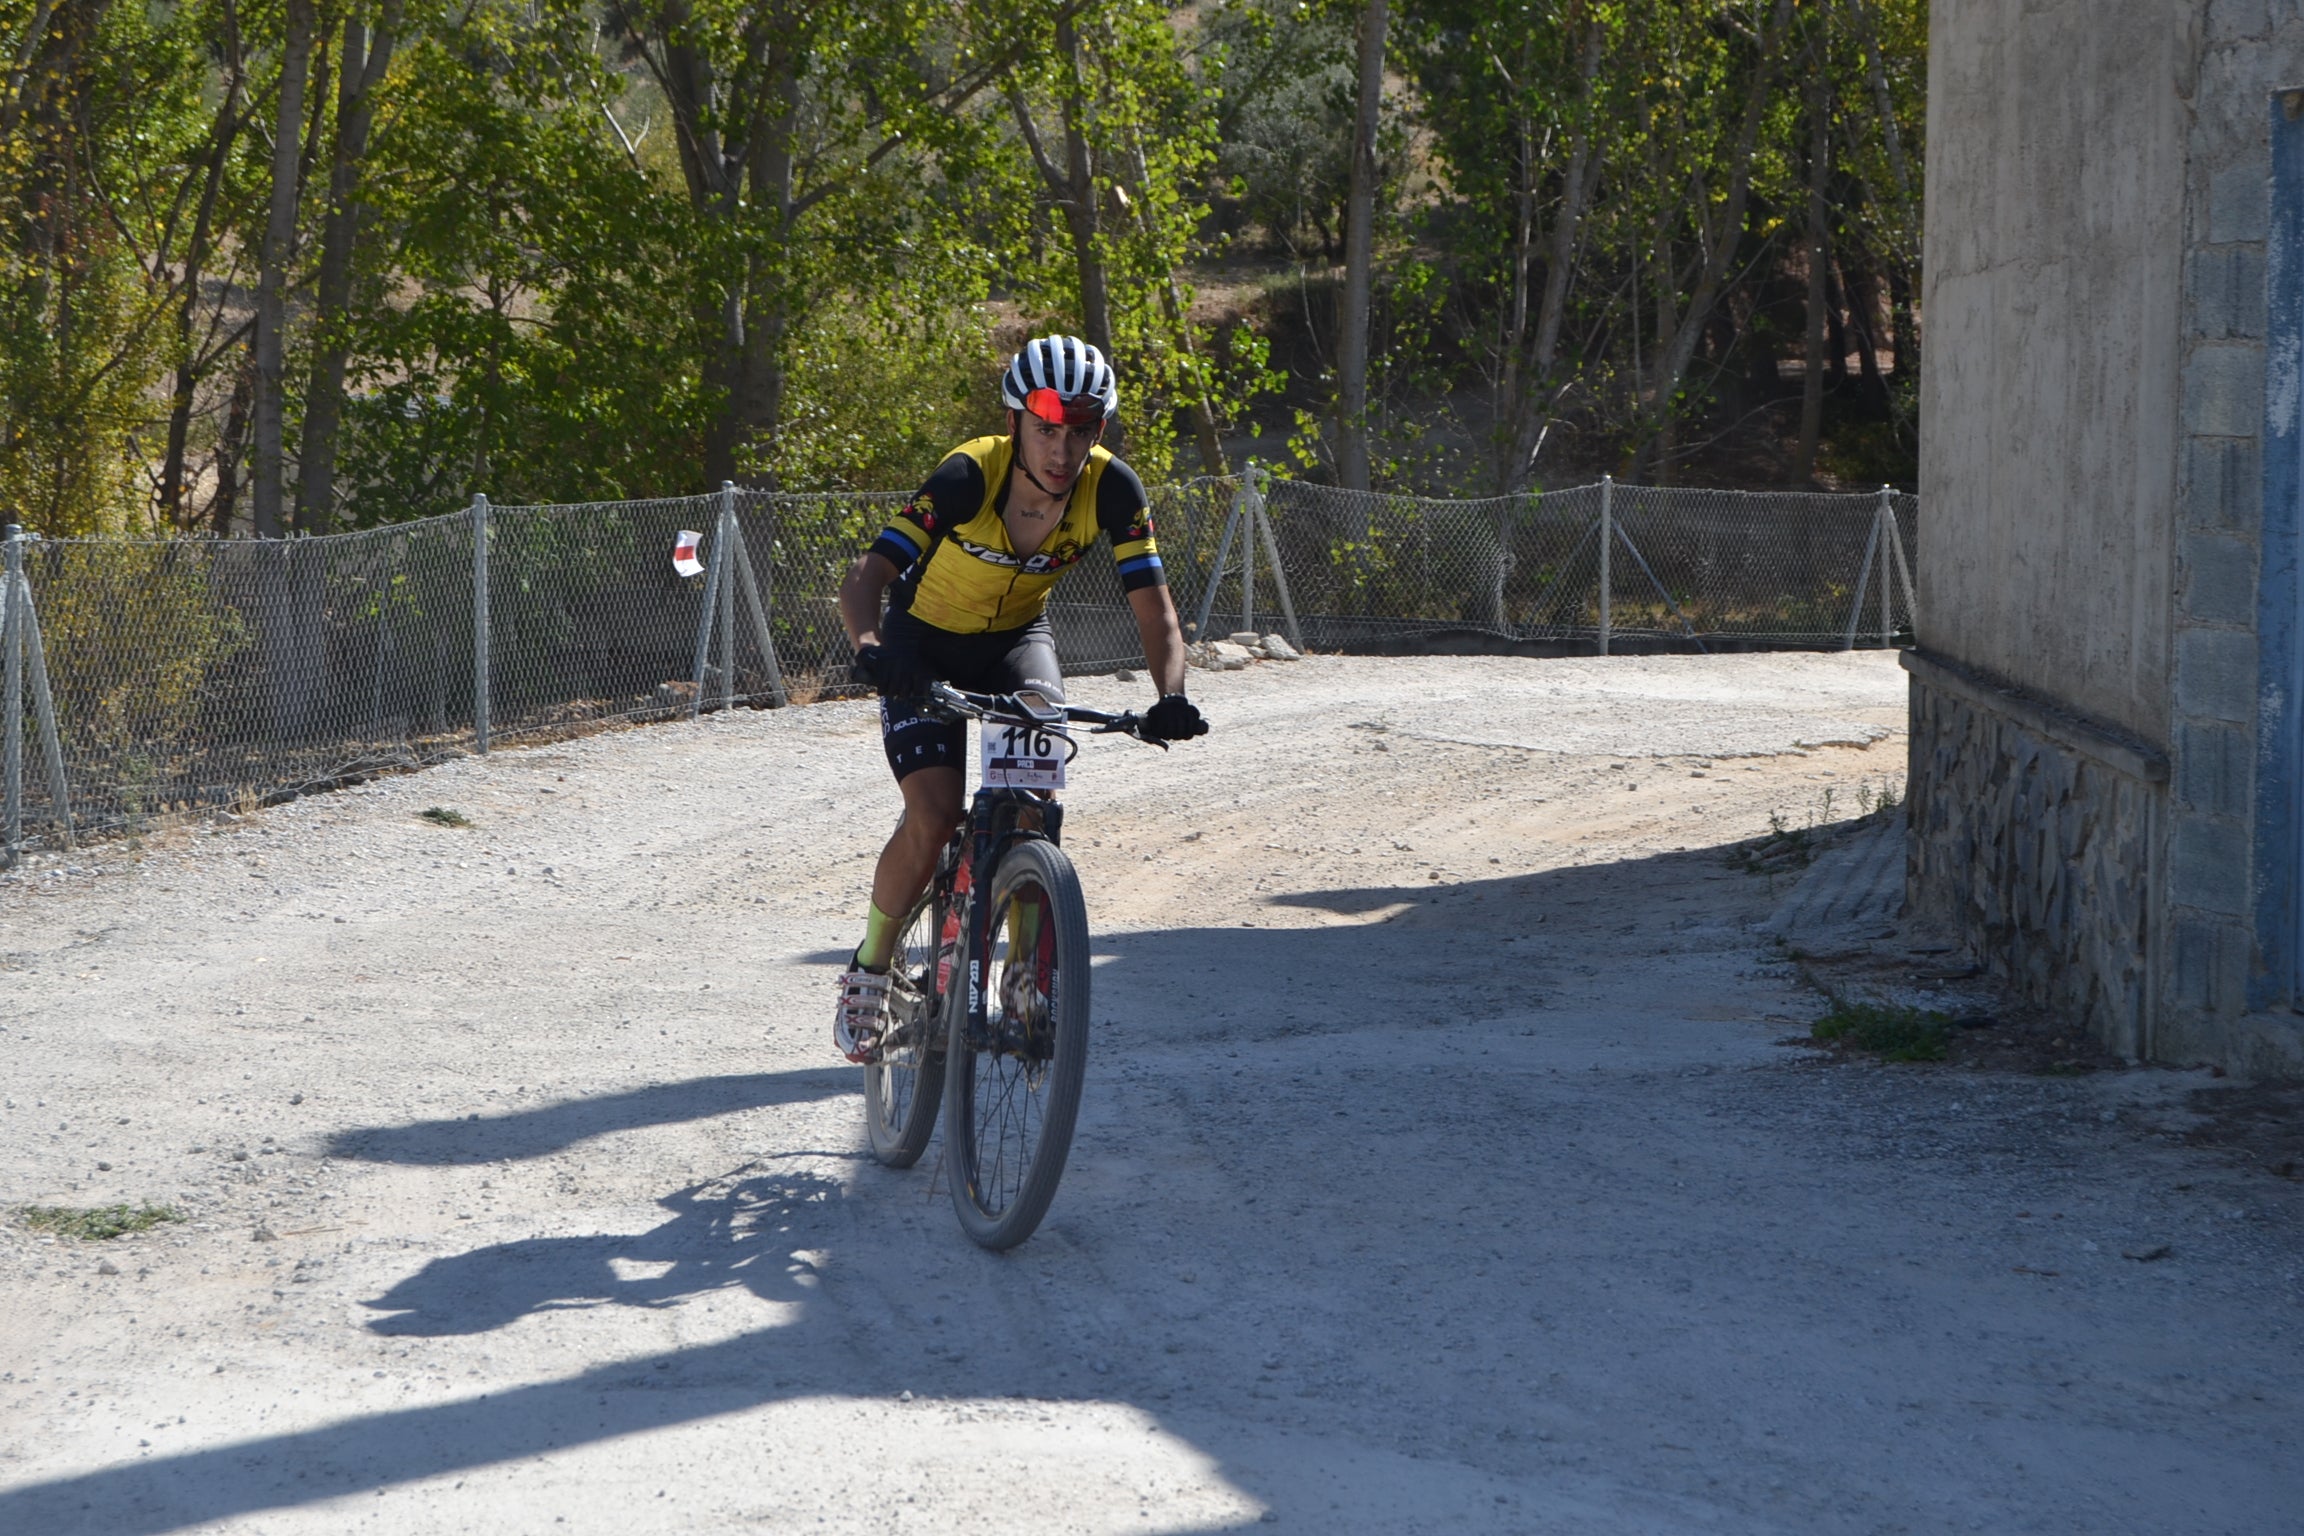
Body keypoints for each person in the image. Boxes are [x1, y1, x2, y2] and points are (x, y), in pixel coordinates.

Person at [831, 336, 1207, 1061]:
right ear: (1016, 423)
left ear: (1099, 429)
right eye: (1045, 427)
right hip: (923, 642)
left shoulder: (1114, 489)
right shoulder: (970, 475)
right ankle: (872, 963)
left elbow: (1155, 611)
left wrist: (1172, 694)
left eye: (1081, 430)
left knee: (1033, 803)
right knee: (936, 815)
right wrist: (873, 648)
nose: (1062, 450)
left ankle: (1025, 978)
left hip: (1014, 641)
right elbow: (865, 576)